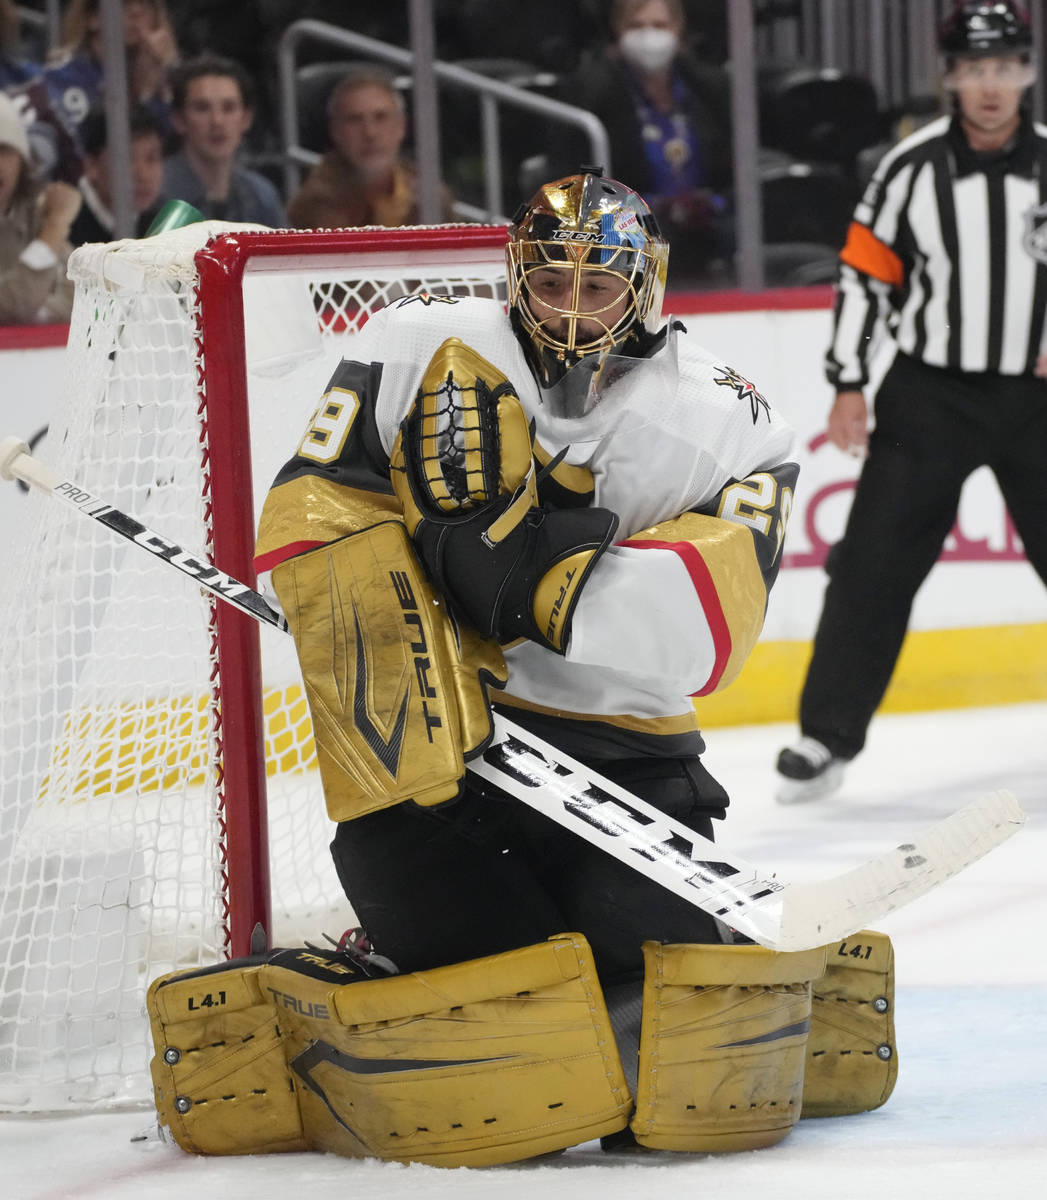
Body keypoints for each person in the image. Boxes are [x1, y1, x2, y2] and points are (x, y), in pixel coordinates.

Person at [775, 0, 1047, 805]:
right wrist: (847, 382)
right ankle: (824, 737)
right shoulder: (910, 168)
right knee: (872, 563)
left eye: (1003, 68)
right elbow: (864, 275)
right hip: (929, 394)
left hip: (1034, 399)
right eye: (974, 70)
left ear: (1025, 73)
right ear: (950, 78)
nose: (990, 86)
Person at [552, 0, 733, 284]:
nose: (650, 36)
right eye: (637, 26)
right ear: (618, 31)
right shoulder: (592, 92)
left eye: (660, 25)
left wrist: (710, 203)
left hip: (706, 227)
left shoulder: (708, 86)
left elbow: (732, 164)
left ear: (678, 29)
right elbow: (575, 177)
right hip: (624, 228)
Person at [287, 63, 456, 230]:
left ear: (402, 126)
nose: (370, 133)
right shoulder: (315, 205)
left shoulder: (432, 195)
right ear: (335, 131)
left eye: (381, 117)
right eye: (354, 120)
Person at [163, 54, 286, 226]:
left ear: (246, 119)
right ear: (179, 119)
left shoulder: (262, 196)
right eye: (202, 108)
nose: (217, 121)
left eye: (229, 108)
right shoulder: (155, 194)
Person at [44, 0, 178, 142]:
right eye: (123, 3)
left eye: (145, 2)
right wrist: (145, 95)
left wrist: (154, 87)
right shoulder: (61, 78)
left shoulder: (171, 78)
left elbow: (166, 150)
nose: (137, 11)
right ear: (93, 18)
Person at [0, 90, 79, 323]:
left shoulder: (32, 214)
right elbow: (11, 307)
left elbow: (80, 296)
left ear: (22, 161)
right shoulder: (50, 225)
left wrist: (36, 311)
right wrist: (53, 230)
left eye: (4, 150)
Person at [68, 103, 164, 244]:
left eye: (152, 158)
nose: (143, 175)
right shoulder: (64, 223)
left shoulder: (162, 226)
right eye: (128, 159)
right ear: (92, 165)